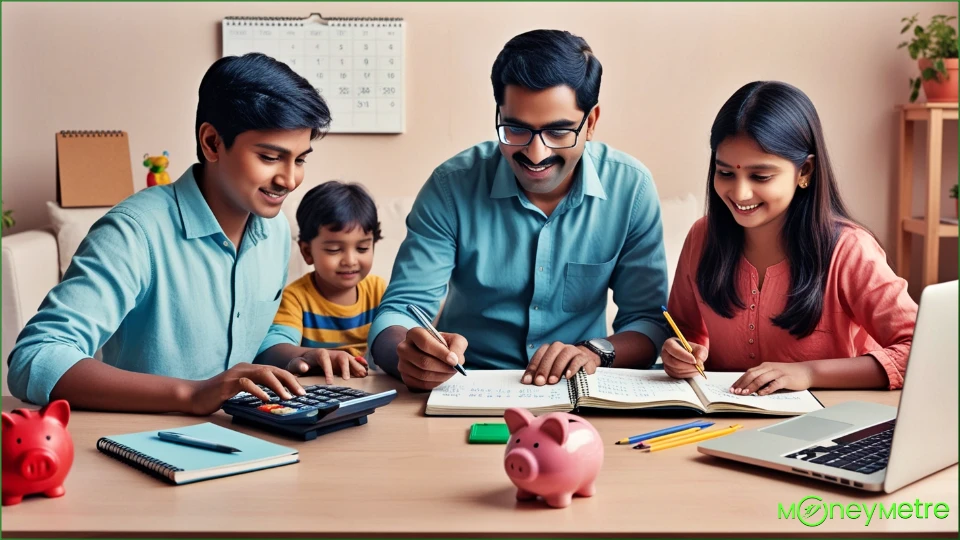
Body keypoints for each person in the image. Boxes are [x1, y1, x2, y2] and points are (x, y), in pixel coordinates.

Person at [7, 53, 331, 413]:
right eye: (270, 157)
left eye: (300, 159)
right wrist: (191, 395)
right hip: (142, 446)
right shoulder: (134, 232)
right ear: (211, 143)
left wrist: (296, 356)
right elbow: (36, 356)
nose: (290, 179)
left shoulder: (275, 230)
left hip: (247, 437)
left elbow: (246, 338)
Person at [369, 29, 670, 391]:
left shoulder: (631, 188)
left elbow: (648, 321)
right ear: (499, 113)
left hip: (578, 388)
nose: (536, 154)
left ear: (590, 123)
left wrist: (594, 352)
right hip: (467, 384)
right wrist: (405, 357)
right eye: (516, 129)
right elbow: (400, 309)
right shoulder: (451, 186)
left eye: (559, 132)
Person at [662, 81, 917, 394]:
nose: (740, 193)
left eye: (761, 176)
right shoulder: (702, 238)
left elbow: (921, 350)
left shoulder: (848, 250)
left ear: (805, 170)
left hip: (827, 427)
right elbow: (684, 330)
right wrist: (679, 354)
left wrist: (809, 374)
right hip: (723, 423)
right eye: (726, 173)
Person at [255, 181, 385, 384]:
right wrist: (310, 355)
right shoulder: (296, 298)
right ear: (307, 252)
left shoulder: (379, 291)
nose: (350, 260)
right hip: (322, 390)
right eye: (334, 249)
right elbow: (272, 348)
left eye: (362, 248)